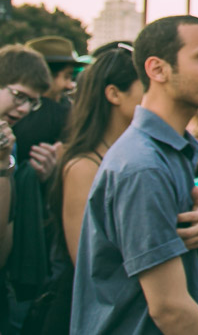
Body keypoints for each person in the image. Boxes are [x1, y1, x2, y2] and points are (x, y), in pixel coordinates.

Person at [71, 15, 198, 335]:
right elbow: (169, 309)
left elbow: (188, 273)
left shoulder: (171, 150)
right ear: (157, 69)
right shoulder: (143, 165)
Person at [25, 47, 149, 335]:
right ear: (114, 94)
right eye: (145, 87)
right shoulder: (83, 166)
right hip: (92, 314)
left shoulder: (126, 157)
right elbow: (87, 261)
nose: (153, 97)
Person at [0, 44, 52, 326]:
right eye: (19, 96)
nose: (24, 109)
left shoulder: (9, 144)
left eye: (33, 102)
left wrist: (3, 165)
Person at [12, 36, 82, 168]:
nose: (70, 85)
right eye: (66, 76)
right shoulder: (62, 114)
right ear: (46, 77)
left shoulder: (13, 112)